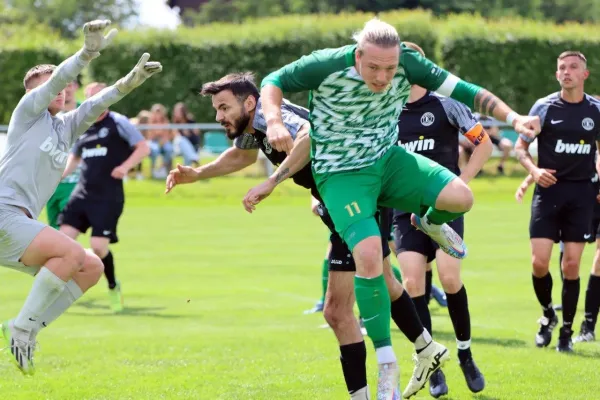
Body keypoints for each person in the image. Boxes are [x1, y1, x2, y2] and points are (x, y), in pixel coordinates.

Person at [253, 18, 539, 399]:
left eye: (390, 69)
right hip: (342, 175)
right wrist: (273, 121)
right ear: (357, 55)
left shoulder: (409, 64)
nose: (383, 77)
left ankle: (429, 223)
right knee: (371, 257)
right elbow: (272, 80)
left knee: (461, 198)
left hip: (389, 161)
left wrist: (514, 117)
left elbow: (469, 92)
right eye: (373, 67)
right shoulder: (327, 64)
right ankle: (387, 360)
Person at [166, 72, 448, 400]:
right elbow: (242, 155)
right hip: (349, 197)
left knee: (337, 310)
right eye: (216, 109)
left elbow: (310, 133)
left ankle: (382, 383)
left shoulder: (265, 115)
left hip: (354, 194)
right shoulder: (252, 126)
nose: (218, 116)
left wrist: (272, 181)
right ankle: (426, 348)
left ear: (249, 102)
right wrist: (199, 173)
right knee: (382, 280)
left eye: (224, 107)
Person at [0, 19, 162, 375]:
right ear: (33, 93)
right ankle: (21, 327)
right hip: (4, 213)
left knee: (90, 267)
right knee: (72, 251)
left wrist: (128, 82)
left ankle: (26, 329)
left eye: (62, 87)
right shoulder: (27, 113)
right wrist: (86, 53)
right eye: (50, 86)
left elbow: (96, 105)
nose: (59, 90)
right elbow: (58, 78)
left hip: (17, 223)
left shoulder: (66, 126)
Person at [391, 42, 491, 397]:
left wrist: (461, 185)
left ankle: (465, 354)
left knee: (449, 279)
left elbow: (483, 143)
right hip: (405, 212)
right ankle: (429, 361)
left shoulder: (447, 103)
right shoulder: (384, 111)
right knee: (414, 283)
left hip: (444, 209)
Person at [514, 50, 600, 352]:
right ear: (557, 74)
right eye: (562, 67)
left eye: (573, 67)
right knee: (539, 263)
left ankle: (566, 333)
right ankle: (549, 314)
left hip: (582, 195)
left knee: (572, 265)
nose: (566, 72)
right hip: (548, 192)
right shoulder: (544, 107)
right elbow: (520, 147)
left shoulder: (596, 110)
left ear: (584, 75)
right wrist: (534, 171)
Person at [58, 82, 150, 313]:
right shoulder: (83, 125)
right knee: (62, 242)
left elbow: (143, 147)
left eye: (98, 97)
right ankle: (60, 290)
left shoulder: (118, 122)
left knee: (98, 248)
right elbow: (75, 158)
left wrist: (125, 167)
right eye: (90, 98)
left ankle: (112, 285)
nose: (94, 102)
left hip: (108, 197)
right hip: (82, 193)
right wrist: (59, 177)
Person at [516, 164, 600, 343]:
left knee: (589, 262)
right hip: (575, 198)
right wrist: (528, 180)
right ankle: (552, 315)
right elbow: (554, 162)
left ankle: (585, 327)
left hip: (588, 197)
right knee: (554, 262)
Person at [45, 77, 81, 229]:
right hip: (50, 182)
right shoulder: (47, 115)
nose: (67, 88)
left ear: (76, 86)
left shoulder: (87, 112)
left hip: (75, 180)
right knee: (55, 229)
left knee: (67, 228)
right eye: (63, 84)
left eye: (70, 84)